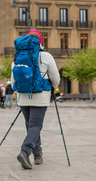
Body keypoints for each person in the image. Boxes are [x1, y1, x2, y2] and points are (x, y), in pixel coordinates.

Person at [12, 30, 60, 170]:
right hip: (40, 95)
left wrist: (20, 92)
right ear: (40, 42)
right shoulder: (46, 56)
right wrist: (53, 87)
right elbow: (55, 78)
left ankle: (38, 154)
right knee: (36, 126)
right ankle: (25, 151)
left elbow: (14, 79)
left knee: (30, 126)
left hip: (23, 96)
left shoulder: (18, 57)